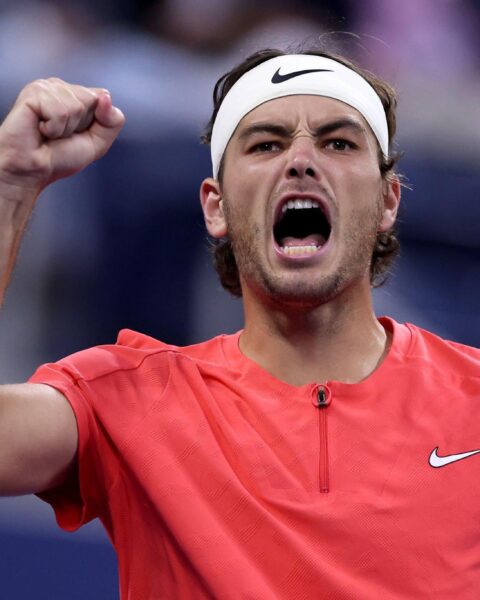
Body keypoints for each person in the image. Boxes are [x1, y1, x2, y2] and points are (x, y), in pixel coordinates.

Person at [0, 48, 479, 599]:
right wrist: (12, 186)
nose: (301, 161)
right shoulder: (127, 399)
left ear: (388, 200)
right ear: (216, 206)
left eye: (338, 143)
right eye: (267, 144)